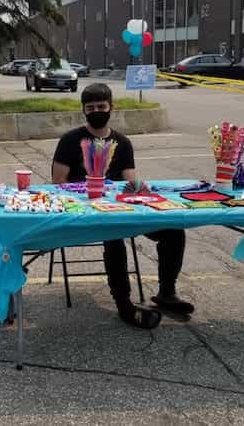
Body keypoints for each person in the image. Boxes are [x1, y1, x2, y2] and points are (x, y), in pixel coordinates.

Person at [51, 83, 193, 329]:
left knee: (173, 232)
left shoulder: (123, 143)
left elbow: (131, 181)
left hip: (121, 210)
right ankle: (124, 303)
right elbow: (58, 182)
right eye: (91, 107)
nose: (97, 111)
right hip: (85, 214)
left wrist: (143, 191)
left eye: (101, 106)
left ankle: (166, 293)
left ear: (111, 108)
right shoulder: (70, 140)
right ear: (83, 110)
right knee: (114, 237)